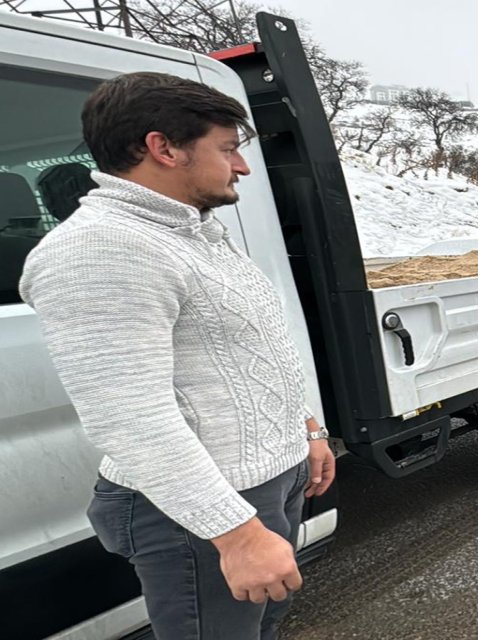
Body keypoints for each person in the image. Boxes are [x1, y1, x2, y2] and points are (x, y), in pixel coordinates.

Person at [20, 72, 335, 639]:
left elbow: (255, 345)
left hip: (266, 480)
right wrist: (237, 534)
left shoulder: (192, 232)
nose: (241, 166)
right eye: (228, 149)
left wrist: (305, 429)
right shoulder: (100, 249)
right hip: (200, 509)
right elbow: (130, 418)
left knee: (261, 626)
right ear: (162, 147)